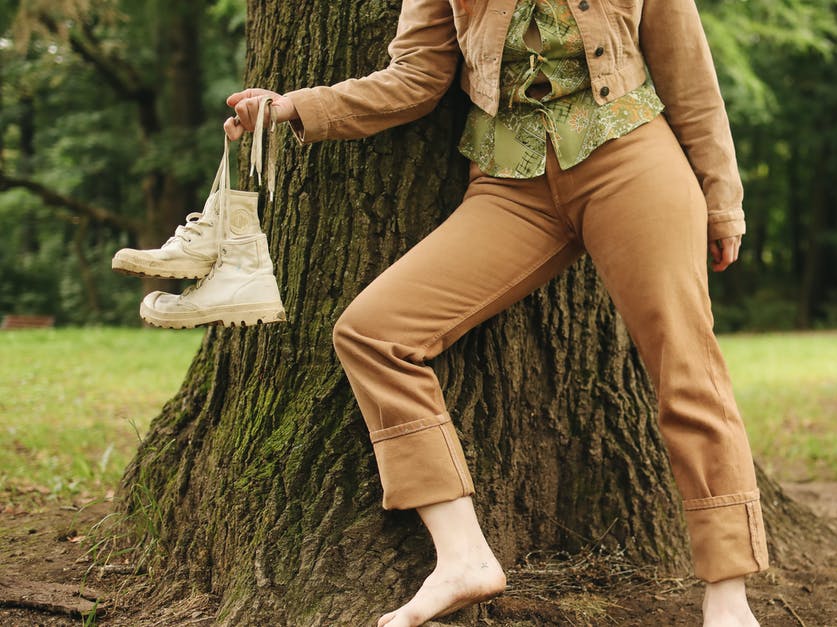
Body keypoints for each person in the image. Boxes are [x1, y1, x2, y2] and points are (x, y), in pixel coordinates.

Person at [224, 0, 767, 625]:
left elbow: (690, 79)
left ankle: (728, 597)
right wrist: (299, 106)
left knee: (686, 365)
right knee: (374, 332)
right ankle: (463, 558)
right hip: (512, 183)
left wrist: (722, 201)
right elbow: (416, 78)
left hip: (632, 162)